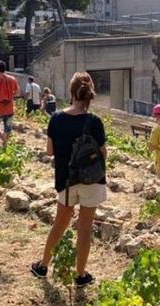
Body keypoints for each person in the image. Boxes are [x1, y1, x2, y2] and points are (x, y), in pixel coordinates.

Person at [30, 72, 106, 288]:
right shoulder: (94, 121)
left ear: (71, 92)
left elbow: (50, 152)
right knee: (85, 227)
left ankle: (43, 265)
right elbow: (103, 153)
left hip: (66, 179)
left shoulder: (56, 119)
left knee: (61, 222)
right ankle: (80, 274)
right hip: (92, 180)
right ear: (89, 95)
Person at [0, 61, 19, 148]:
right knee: (8, 128)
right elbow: (17, 93)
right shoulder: (12, 79)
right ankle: (5, 143)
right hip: (9, 108)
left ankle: (3, 139)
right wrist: (10, 96)